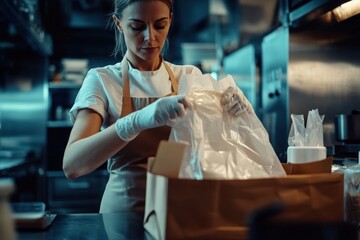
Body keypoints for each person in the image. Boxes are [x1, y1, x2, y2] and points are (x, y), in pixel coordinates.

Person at [63, 0, 247, 214]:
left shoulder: (188, 76)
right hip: (125, 212)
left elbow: (213, 151)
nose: (150, 37)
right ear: (118, 23)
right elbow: (73, 165)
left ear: (170, 20)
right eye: (137, 26)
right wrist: (135, 122)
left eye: (160, 25)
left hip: (181, 209)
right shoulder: (102, 80)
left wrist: (232, 116)